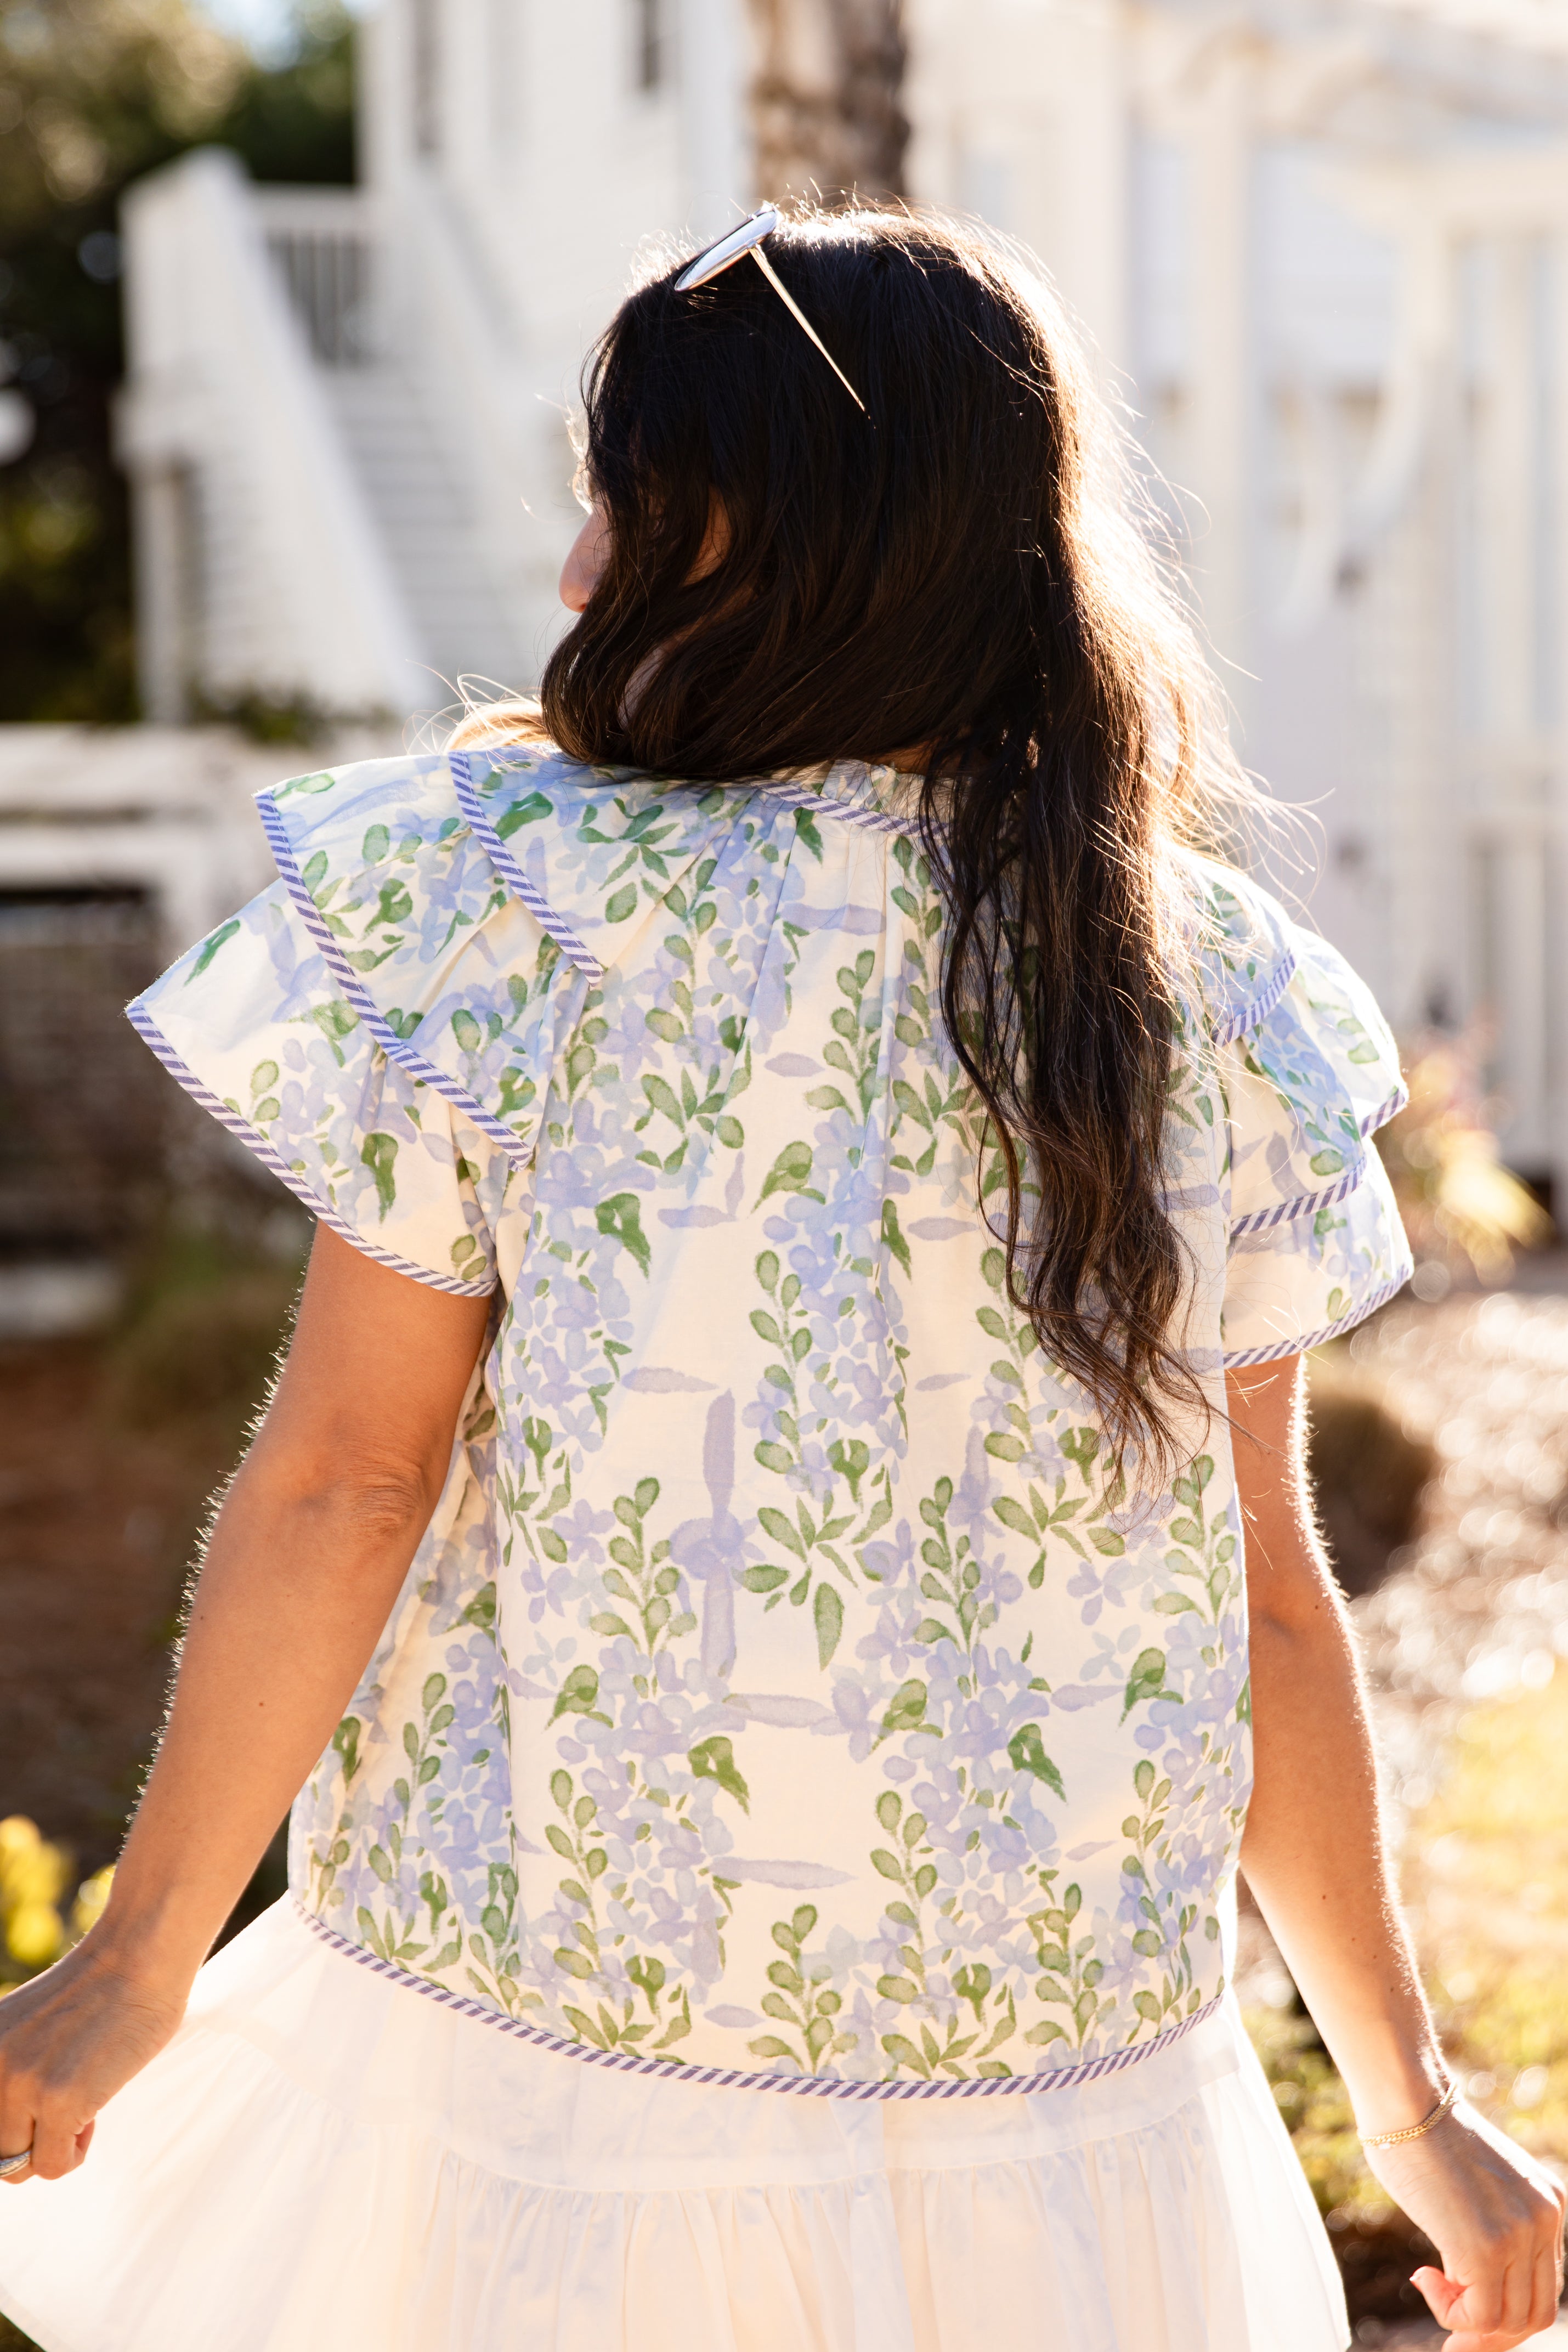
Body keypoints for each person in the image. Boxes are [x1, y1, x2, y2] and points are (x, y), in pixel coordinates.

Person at [0, 206, 1559, 2352]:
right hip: (1058, 2100)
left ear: (766, 534)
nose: (574, 568)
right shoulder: (1208, 988)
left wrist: (141, 1953)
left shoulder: (508, 900)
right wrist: (1408, 2103)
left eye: (622, 499)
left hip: (560, 2052)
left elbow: (351, 1477)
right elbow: (1263, 1592)